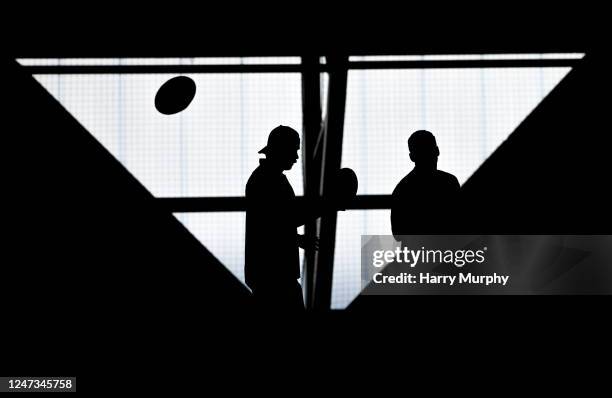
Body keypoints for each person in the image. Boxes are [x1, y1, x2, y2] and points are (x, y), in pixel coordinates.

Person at [245, 125, 327, 311]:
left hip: (269, 275)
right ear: (283, 150)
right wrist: (327, 205)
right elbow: (285, 219)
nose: (297, 157)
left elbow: (271, 225)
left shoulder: (265, 179)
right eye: (294, 150)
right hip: (275, 276)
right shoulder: (269, 181)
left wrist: (294, 239)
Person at [391, 130, 460, 241]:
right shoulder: (450, 182)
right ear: (437, 151)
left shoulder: (403, 189)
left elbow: (398, 234)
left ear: (412, 157)